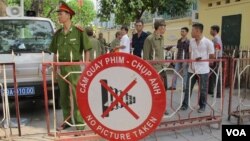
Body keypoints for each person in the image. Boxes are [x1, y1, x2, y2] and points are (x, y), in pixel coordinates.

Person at [49, 1, 92, 130]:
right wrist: (55, 70)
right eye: (59, 14)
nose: (59, 16)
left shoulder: (78, 32)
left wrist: (85, 66)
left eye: (61, 14)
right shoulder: (58, 34)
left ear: (68, 15)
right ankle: (67, 121)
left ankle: (79, 124)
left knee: (77, 95)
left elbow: (87, 49)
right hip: (62, 67)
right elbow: (55, 53)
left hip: (74, 67)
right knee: (63, 97)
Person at [181, 23, 215, 113]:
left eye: (192, 30)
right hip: (191, 69)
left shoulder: (208, 42)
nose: (191, 32)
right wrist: (190, 61)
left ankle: (202, 106)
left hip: (203, 70)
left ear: (198, 31)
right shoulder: (191, 41)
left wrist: (203, 59)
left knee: (203, 89)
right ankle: (185, 104)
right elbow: (189, 53)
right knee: (188, 88)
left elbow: (212, 57)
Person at [143, 19, 168, 115]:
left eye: (165, 27)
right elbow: (146, 57)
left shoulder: (162, 38)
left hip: (163, 67)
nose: (165, 29)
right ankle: (152, 108)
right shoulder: (149, 39)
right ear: (159, 27)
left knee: (164, 88)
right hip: (154, 69)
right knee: (154, 90)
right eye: (164, 27)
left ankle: (162, 107)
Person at [208, 25, 223, 98]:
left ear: (214, 31)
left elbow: (217, 50)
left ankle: (218, 93)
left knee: (216, 76)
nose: (210, 31)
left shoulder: (216, 39)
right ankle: (212, 90)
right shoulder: (216, 38)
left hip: (216, 59)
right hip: (216, 58)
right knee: (214, 75)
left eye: (211, 30)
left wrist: (213, 60)